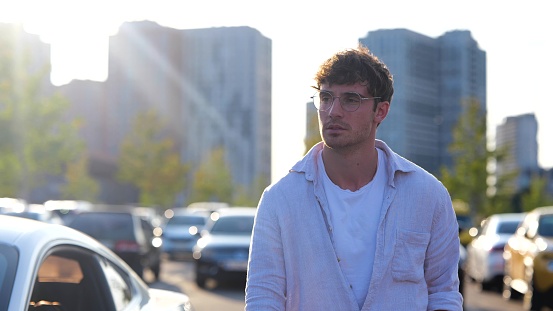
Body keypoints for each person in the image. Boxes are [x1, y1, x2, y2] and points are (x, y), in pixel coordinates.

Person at [245, 44, 463, 310]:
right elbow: (263, 297)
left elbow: (443, 292)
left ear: (380, 111)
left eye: (350, 99)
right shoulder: (280, 199)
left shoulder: (428, 195)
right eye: (326, 98)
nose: (333, 111)